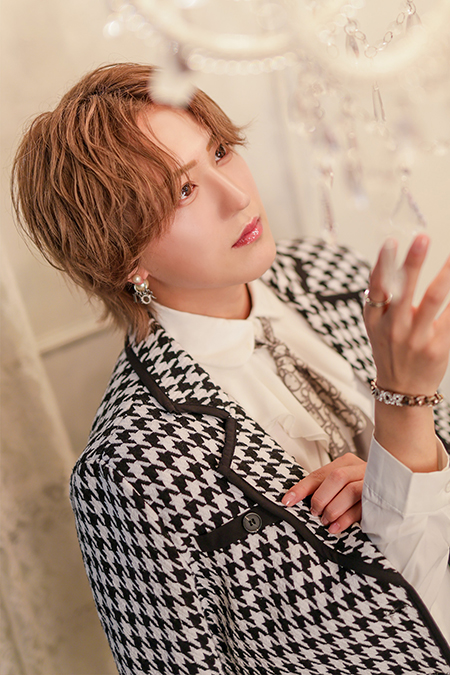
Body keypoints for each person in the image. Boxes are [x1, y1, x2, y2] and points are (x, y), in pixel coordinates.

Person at [11, 63, 450, 674]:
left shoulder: (332, 273)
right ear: (123, 258)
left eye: (220, 151)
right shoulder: (132, 465)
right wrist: (402, 404)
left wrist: (398, 480)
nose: (238, 195)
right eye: (183, 191)